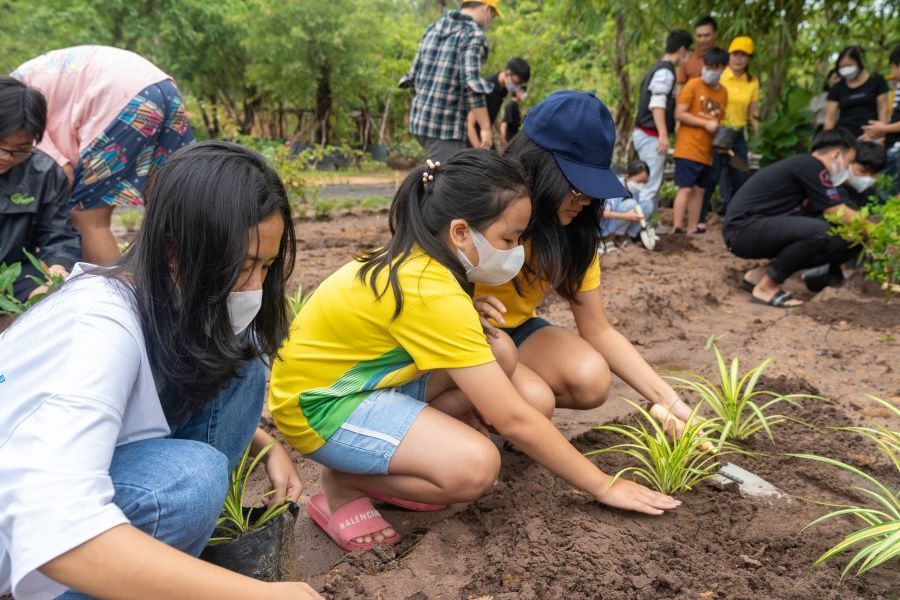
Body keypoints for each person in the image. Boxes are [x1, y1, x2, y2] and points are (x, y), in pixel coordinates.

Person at [269, 149, 681, 552]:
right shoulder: (427, 289)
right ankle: (345, 485)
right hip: (321, 406)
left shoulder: (427, 264)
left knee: (500, 354)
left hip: (363, 384)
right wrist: (603, 484)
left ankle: (404, 455)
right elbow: (512, 418)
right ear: (461, 232)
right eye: (510, 237)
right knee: (476, 467)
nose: (517, 249)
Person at [0, 142, 320, 599]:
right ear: (175, 246)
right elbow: (55, 530)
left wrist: (264, 446)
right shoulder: (95, 331)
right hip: (25, 534)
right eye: (242, 267)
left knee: (240, 358)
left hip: (37, 492)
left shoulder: (149, 294)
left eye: (266, 268)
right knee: (190, 479)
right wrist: (257, 595)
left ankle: (167, 564)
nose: (255, 288)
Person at [474, 91, 700, 443]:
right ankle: (470, 417)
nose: (586, 201)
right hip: (460, 326)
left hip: (513, 331)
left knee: (591, 379)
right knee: (536, 401)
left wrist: (669, 400)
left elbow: (598, 330)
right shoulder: (482, 206)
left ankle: (496, 405)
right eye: (576, 188)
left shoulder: (573, 231)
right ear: (540, 169)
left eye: (590, 189)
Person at [11, 45, 195, 265]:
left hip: (123, 97)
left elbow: (62, 173)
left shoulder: (13, 112)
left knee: (87, 217)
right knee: (173, 208)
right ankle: (187, 290)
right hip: (160, 86)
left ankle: (116, 297)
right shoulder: (19, 85)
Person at [723, 129, 860, 308]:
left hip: (756, 229)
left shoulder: (810, 171)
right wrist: (876, 232)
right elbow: (836, 211)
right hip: (742, 230)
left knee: (844, 240)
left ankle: (758, 276)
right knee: (821, 232)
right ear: (835, 154)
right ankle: (766, 288)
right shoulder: (809, 164)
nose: (848, 169)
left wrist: (863, 232)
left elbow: (843, 210)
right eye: (848, 162)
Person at [0, 77, 80, 303]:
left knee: (58, 293)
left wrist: (58, 267)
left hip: (12, 276)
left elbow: (58, 235)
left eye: (20, 150)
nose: (5, 157)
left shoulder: (45, 173)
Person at [399, 1, 504, 163]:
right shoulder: (474, 35)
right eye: (493, 15)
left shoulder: (433, 28)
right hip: (445, 130)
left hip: (419, 123)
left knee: (439, 176)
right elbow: (471, 83)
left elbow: (412, 77)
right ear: (486, 9)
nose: (491, 20)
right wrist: (485, 128)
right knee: (451, 185)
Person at [632, 29, 693, 219]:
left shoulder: (658, 68)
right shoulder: (665, 71)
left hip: (645, 133)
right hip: (651, 135)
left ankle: (651, 223)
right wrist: (663, 135)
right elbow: (657, 104)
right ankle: (642, 229)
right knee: (649, 185)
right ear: (682, 49)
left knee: (652, 183)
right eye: (689, 51)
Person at [672, 47, 729, 234]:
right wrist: (705, 123)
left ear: (723, 69)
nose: (711, 71)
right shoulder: (693, 85)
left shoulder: (723, 93)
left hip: (707, 150)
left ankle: (692, 228)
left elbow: (719, 120)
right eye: (708, 66)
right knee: (686, 188)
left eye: (715, 68)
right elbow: (679, 113)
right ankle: (677, 227)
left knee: (700, 190)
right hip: (688, 147)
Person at [703, 36, 759, 220]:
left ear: (749, 58)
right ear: (729, 55)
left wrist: (759, 135)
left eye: (743, 55)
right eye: (735, 54)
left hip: (738, 133)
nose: (738, 59)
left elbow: (753, 112)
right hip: (718, 131)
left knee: (740, 171)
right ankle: (706, 212)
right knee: (716, 172)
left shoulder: (752, 82)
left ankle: (734, 211)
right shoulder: (720, 75)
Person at [824, 46, 889, 138]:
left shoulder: (877, 81)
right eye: (842, 67)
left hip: (871, 134)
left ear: (860, 63)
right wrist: (827, 140)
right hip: (844, 136)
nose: (845, 69)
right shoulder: (837, 88)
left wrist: (882, 134)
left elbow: (882, 109)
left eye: (849, 65)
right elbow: (830, 118)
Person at [467, 57, 531, 151]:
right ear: (508, 72)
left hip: (485, 139)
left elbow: (492, 113)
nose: (516, 87)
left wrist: (501, 137)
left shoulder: (503, 90)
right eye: (516, 82)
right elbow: (469, 123)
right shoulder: (487, 87)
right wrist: (477, 150)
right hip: (471, 140)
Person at [861, 43, 900, 190]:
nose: (892, 72)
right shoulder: (897, 87)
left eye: (892, 67)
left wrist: (883, 128)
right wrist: (881, 136)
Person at [599, 160, 656, 252]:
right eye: (639, 181)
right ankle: (606, 239)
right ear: (627, 176)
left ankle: (623, 238)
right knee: (632, 204)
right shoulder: (614, 186)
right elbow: (601, 213)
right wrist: (626, 216)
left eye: (644, 182)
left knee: (647, 205)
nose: (641, 185)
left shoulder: (634, 191)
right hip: (603, 225)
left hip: (616, 221)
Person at [676, 16, 718, 90]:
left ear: (715, 34)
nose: (702, 40)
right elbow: (680, 86)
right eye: (699, 36)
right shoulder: (688, 58)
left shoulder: (724, 57)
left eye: (707, 35)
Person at [841, 140, 887, 208]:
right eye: (863, 171)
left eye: (873, 174)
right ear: (848, 162)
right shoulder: (830, 188)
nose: (867, 178)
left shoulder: (868, 192)